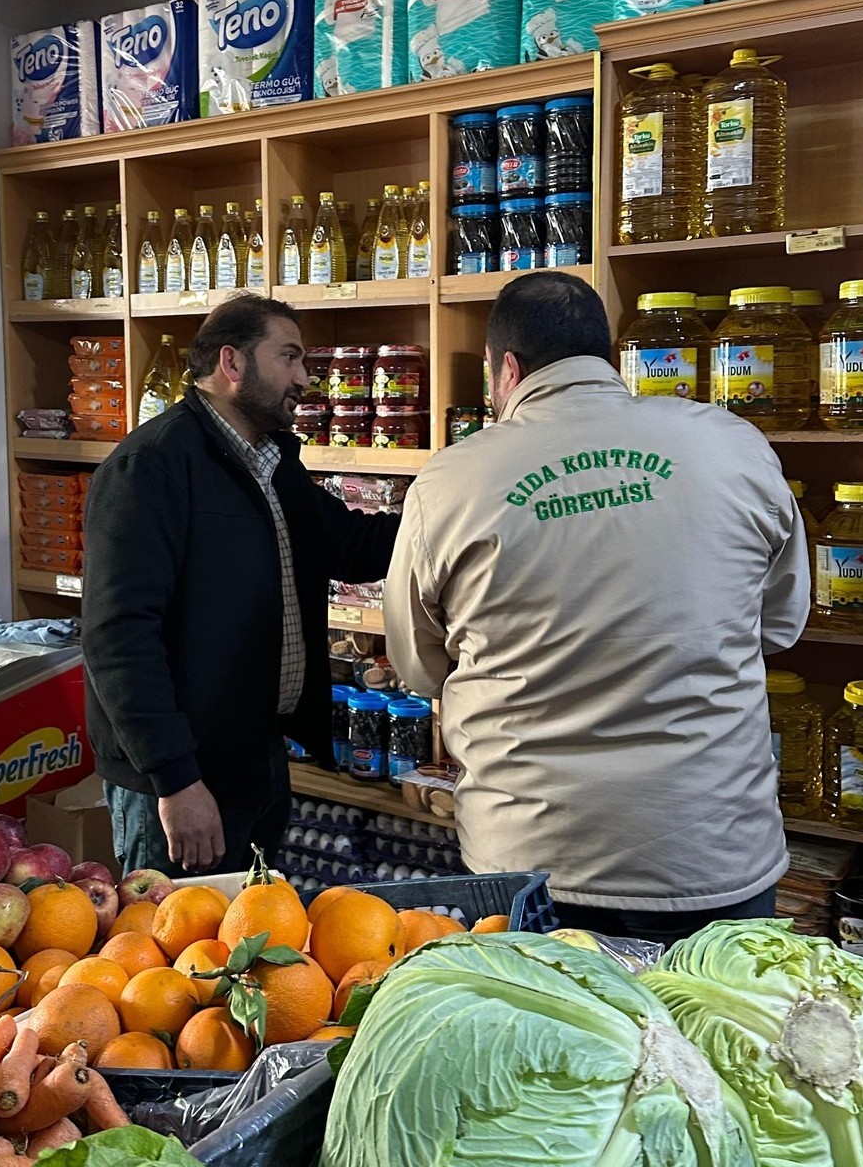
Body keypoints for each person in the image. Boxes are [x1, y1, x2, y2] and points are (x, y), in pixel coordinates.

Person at [384, 272, 810, 943]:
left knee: (545, 1017)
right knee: (713, 1014)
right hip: (712, 848)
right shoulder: (732, 444)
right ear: (605, 358)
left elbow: (418, 666)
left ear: (506, 369)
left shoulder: (451, 479)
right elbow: (780, 624)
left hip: (533, 859)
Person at [83, 295, 400, 875]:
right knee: (173, 932)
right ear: (232, 362)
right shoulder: (151, 465)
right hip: (182, 780)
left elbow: (352, 546)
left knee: (252, 928)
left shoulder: (272, 464)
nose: (304, 378)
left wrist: (450, 508)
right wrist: (176, 779)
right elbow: (118, 636)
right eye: (289, 357)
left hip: (257, 757)